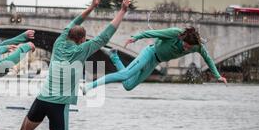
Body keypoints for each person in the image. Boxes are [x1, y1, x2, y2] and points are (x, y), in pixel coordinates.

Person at [6, 0, 132, 130]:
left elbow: (76, 21)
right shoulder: (82, 50)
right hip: (59, 106)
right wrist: (122, 11)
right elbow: (105, 35)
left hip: (42, 100)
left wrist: (92, 7)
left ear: (68, 35)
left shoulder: (59, 42)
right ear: (81, 40)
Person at [83, 27, 227, 93]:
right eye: (186, 45)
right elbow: (153, 33)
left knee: (128, 86)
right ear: (182, 38)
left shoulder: (197, 47)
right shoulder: (174, 33)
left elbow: (208, 59)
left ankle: (114, 56)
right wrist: (136, 37)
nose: (186, 49)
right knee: (125, 75)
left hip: (155, 62)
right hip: (150, 53)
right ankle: (89, 87)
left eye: (190, 48)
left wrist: (218, 76)